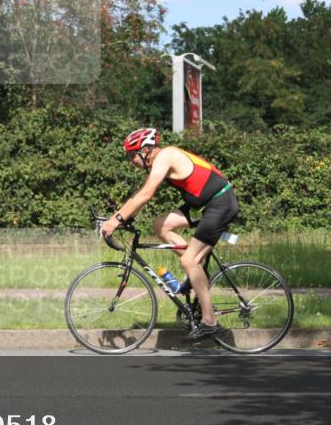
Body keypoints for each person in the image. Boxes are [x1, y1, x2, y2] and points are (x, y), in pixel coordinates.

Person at [101, 127, 239, 340]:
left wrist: (116, 221)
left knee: (189, 261)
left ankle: (209, 321)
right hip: (205, 205)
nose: (132, 162)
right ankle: (195, 270)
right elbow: (140, 193)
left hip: (219, 204)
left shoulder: (166, 155)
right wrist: (118, 216)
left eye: (132, 156)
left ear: (145, 150)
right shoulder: (160, 160)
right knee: (160, 226)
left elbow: (147, 194)